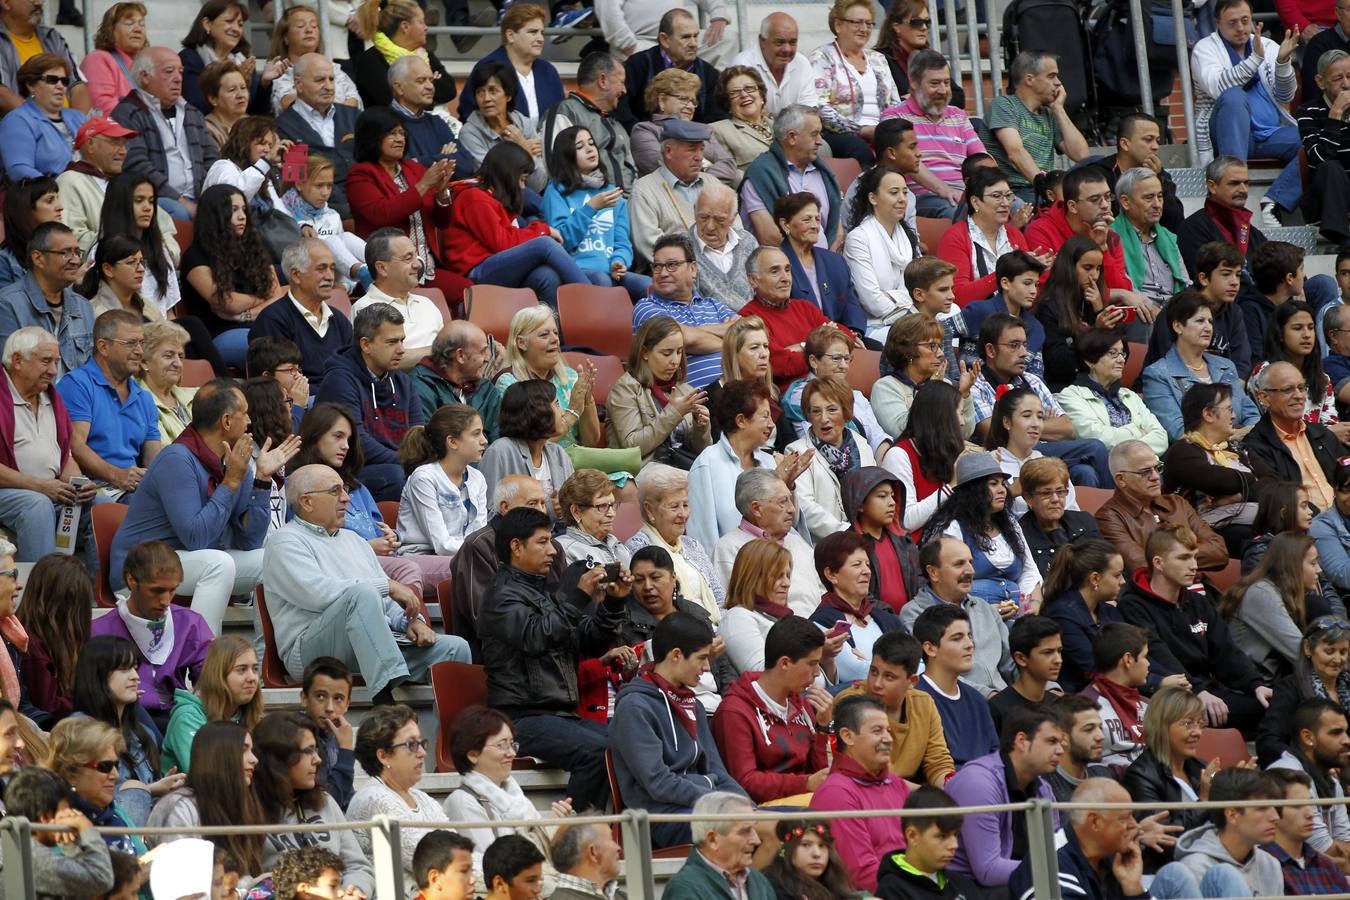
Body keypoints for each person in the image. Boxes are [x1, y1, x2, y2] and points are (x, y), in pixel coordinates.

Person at [108, 381, 298, 633]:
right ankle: (203, 662)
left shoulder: (231, 460)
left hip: (192, 560)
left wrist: (262, 480)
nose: (250, 421)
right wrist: (231, 481)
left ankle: (266, 657)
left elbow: (249, 541)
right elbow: (195, 538)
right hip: (140, 568)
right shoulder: (177, 459)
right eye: (245, 414)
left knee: (274, 559)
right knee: (218, 563)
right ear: (227, 421)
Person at [477, 506, 626, 811]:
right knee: (598, 750)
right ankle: (566, 828)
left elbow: (589, 642)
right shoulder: (500, 597)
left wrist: (613, 602)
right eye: (542, 542)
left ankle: (607, 829)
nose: (553, 550)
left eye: (551, 541)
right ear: (516, 547)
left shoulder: (543, 593)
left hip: (560, 715)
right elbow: (537, 636)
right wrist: (578, 598)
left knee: (629, 742)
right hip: (521, 717)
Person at [1119, 526, 1272, 732]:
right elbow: (1159, 656)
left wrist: (1254, 684)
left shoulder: (1198, 602)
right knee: (1268, 714)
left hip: (1208, 691)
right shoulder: (1133, 606)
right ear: (1159, 563)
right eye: (1183, 558)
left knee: (1277, 703)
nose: (1193, 566)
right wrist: (1197, 691)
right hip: (1168, 697)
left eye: (1194, 557)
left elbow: (1226, 651)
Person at [612, 611, 743, 847]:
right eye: (701, 658)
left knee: (788, 822)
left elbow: (719, 772)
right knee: (751, 833)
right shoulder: (634, 707)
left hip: (704, 809)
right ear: (676, 655)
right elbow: (658, 783)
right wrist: (717, 799)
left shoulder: (695, 705)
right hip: (663, 818)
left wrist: (744, 805)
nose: (705, 668)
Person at [1192, 0, 1303, 222]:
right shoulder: (1204, 48)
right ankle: (1233, 195)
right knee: (1234, 96)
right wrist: (1255, 60)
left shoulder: (1267, 45)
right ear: (1218, 23)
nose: (1241, 28)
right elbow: (1219, 87)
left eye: (1245, 20)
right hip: (1224, 134)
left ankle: (1274, 202)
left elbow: (1286, 96)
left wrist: (1282, 63)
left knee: (1314, 138)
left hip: (1268, 135)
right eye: (1232, 23)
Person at [443, 144, 589, 311]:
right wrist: (543, 230)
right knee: (544, 244)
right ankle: (592, 298)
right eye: (521, 179)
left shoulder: (490, 197)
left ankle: (558, 334)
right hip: (476, 272)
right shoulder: (474, 197)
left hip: (493, 266)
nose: (522, 187)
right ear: (508, 175)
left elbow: (507, 239)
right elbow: (503, 243)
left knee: (546, 276)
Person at [441, 706, 569, 893]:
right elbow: (490, 866)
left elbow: (540, 851)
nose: (512, 753)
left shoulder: (514, 794)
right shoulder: (463, 801)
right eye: (502, 745)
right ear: (472, 754)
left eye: (512, 744)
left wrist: (558, 827)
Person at [0, 326, 99, 565]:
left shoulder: (51, 398)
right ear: (17, 360)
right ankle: (44, 595)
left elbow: (63, 457)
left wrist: (79, 483)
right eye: (46, 361)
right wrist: (40, 486)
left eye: (56, 362)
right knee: (36, 505)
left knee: (101, 505)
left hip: (47, 490)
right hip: (12, 492)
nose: (54, 371)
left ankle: (101, 594)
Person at [90, 541, 212, 730]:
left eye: (172, 590)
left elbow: (212, 682)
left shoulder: (189, 623)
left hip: (178, 719)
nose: (165, 601)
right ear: (131, 580)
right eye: (156, 590)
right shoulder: (98, 631)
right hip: (124, 723)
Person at [251, 711, 374, 895]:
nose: (317, 759)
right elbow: (235, 880)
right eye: (308, 751)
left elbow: (358, 866)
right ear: (280, 758)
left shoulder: (325, 802)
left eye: (316, 749)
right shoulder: (247, 810)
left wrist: (353, 892)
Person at [710, 614, 830, 802]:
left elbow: (817, 774)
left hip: (803, 802)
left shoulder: (802, 704)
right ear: (784, 663)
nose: (817, 673)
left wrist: (822, 728)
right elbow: (745, 782)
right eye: (812, 664)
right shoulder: (734, 712)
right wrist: (805, 783)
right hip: (762, 811)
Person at [345, 110, 460, 306]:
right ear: (373, 136)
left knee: (470, 293)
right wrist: (424, 185)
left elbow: (442, 221)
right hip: (391, 273)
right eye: (392, 134)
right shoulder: (361, 175)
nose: (400, 139)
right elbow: (383, 215)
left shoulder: (415, 170)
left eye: (402, 133)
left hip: (428, 267)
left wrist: (441, 193)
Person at [946, 705, 1065, 887]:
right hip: (965, 888)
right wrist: (1059, 872)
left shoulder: (1043, 789)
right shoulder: (978, 783)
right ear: (1021, 741)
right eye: (1051, 741)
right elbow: (988, 871)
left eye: (1061, 743)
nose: (1060, 751)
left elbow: (1055, 852)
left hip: (1018, 885)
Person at [313, 304, 422, 502]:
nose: (401, 350)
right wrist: (409, 462)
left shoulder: (403, 381)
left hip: (398, 464)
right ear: (366, 345)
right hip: (348, 470)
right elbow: (357, 442)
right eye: (391, 342)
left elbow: (418, 432)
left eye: (402, 341)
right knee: (396, 475)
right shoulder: (340, 380)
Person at [70, 635, 178, 827]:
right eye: (124, 669)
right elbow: (87, 796)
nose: (136, 677)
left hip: (148, 829)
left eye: (135, 668)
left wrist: (166, 787)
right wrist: (148, 789)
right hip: (101, 831)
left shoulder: (142, 733)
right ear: (98, 674)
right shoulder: (80, 728)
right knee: (134, 791)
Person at [56, 309, 161, 503]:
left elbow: (153, 458)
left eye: (141, 343)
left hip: (132, 488)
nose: (139, 351)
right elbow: (75, 445)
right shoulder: (77, 384)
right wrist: (117, 475)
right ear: (103, 347)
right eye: (130, 343)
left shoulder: (144, 397)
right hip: (91, 488)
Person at [808, 695, 909, 892]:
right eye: (877, 731)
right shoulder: (835, 793)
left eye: (888, 731)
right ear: (847, 736)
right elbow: (861, 875)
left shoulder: (895, 783)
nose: (888, 739)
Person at [923, 452, 1043, 616]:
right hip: (971, 619)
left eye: (1002, 483)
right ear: (973, 490)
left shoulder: (1010, 522)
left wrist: (1030, 609)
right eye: (993, 484)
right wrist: (987, 613)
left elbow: (1030, 571)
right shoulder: (952, 527)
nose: (1002, 490)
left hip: (1018, 615)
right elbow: (946, 585)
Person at [177, 184, 282, 367]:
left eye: (243, 209)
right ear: (215, 216)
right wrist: (262, 297)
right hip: (221, 332)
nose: (242, 216)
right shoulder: (195, 256)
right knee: (274, 351)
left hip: (258, 325)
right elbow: (227, 302)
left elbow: (277, 294)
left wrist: (246, 315)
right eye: (233, 210)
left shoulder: (255, 248)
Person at [542, 126, 650, 303]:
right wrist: (591, 208)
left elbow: (622, 242)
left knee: (649, 286)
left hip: (611, 271)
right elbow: (561, 241)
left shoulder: (612, 194)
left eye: (591, 143)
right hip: (576, 271)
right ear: (566, 155)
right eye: (580, 146)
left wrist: (620, 261)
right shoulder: (555, 192)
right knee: (601, 280)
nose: (590, 149)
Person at [346, 704, 450, 886]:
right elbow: (436, 862)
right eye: (412, 745)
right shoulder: (375, 799)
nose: (423, 753)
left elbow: (458, 850)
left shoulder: (423, 798)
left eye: (421, 743)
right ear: (384, 756)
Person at [112, 48, 218, 222]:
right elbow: (138, 166)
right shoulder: (127, 113)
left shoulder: (192, 113)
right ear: (145, 77)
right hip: (156, 198)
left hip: (199, 198)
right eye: (169, 71)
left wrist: (209, 198)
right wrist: (181, 201)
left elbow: (212, 159)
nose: (178, 78)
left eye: (181, 72)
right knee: (179, 213)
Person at [836, 630, 955, 785]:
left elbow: (938, 763)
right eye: (873, 671)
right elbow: (866, 774)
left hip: (908, 794)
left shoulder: (923, 703)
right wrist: (922, 793)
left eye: (889, 677)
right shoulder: (851, 702)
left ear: (912, 681)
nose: (877, 684)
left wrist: (951, 786)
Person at [1095, 440, 1230, 575]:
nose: (1155, 477)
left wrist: (1170, 561)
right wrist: (1189, 564)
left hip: (1201, 592)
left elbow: (1219, 552)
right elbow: (1142, 566)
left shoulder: (1177, 503)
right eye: (1145, 472)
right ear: (1121, 479)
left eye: (1157, 468)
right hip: (1154, 595)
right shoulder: (1109, 517)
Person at [1143, 293, 1262, 441]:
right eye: (1200, 321)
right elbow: (1178, 432)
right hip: (1195, 457)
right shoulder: (1157, 374)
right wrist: (1233, 436)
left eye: (1210, 321)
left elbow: (1251, 415)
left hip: (1241, 449)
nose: (1208, 328)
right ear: (1178, 326)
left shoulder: (1226, 366)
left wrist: (1246, 434)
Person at [1010, 777, 1149, 900]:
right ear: (1094, 822)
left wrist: (1133, 888)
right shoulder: (1050, 865)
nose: (1135, 825)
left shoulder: (1113, 858)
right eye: (1125, 818)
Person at [1153, 768, 1283, 898]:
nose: (1275, 817)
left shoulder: (1270, 864)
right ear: (1232, 815)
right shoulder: (1195, 867)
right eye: (1262, 808)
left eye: (1274, 807)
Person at [634, 232, 740, 392]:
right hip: (695, 400)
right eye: (657, 266)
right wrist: (731, 342)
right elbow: (686, 339)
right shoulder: (646, 307)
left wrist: (693, 330)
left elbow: (746, 331)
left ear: (692, 269)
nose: (663, 273)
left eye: (672, 265)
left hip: (739, 387)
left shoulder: (712, 305)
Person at [711, 469, 823, 619]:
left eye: (790, 500)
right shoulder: (729, 547)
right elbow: (730, 609)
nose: (792, 509)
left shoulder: (796, 540)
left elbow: (823, 592)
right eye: (783, 501)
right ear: (757, 508)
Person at [884, 50, 982, 219]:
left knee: (1016, 206)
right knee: (956, 212)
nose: (943, 90)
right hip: (923, 196)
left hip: (963, 193)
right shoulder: (894, 117)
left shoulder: (958, 115)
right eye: (935, 83)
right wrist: (944, 190)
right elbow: (908, 163)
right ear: (913, 83)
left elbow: (981, 159)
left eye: (946, 83)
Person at [248, 239, 353, 394]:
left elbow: (354, 370)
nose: (330, 277)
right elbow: (278, 386)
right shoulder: (272, 320)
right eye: (321, 268)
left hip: (343, 397)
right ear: (296, 275)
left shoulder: (339, 320)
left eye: (332, 268)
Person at [494, 305, 602, 452]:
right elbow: (529, 447)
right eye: (544, 335)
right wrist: (572, 413)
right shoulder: (509, 384)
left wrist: (587, 400)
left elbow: (590, 441)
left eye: (556, 333)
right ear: (522, 343)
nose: (555, 340)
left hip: (576, 463)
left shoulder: (570, 377)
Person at [985, 51, 1091, 202]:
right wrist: (1045, 186)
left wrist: (1059, 109)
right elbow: (1015, 152)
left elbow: (1081, 155)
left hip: (1041, 189)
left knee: (1094, 165)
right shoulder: (1004, 105)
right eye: (1051, 76)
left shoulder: (1049, 113)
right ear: (1030, 79)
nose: (1058, 83)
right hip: (1012, 189)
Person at [607, 318, 712, 468]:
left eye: (679, 352)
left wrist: (700, 427)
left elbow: (701, 451)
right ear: (645, 353)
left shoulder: (685, 390)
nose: (675, 361)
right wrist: (674, 413)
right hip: (642, 471)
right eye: (667, 353)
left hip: (681, 468)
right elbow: (632, 446)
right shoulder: (625, 389)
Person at [1244, 361, 1348, 511]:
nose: (1299, 396)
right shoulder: (1256, 446)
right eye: (1288, 390)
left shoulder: (1322, 434)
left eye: (1301, 388)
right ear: (1264, 397)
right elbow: (1280, 500)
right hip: (1304, 526)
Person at [1221, 532, 1327, 678]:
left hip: (1276, 681)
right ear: (1292, 565)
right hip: (1255, 688)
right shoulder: (1261, 594)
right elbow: (1300, 653)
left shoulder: (1284, 593)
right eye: (1313, 563)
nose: (1319, 570)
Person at [0, 220, 95, 381]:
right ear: (38, 258)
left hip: (78, 404)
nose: (75, 260)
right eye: (65, 253)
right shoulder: (8, 305)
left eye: (77, 252)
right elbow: (8, 375)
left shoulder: (83, 307)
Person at [809, 0, 899, 166]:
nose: (864, 29)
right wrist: (860, 130)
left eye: (868, 23)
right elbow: (819, 106)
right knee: (861, 151)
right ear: (838, 25)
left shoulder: (879, 59)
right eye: (857, 22)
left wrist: (887, 130)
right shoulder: (822, 57)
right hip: (839, 133)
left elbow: (894, 103)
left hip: (881, 132)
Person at [911, 602, 999, 766]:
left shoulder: (977, 699)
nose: (970, 644)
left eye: (969, 636)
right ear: (930, 648)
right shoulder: (914, 699)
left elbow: (995, 758)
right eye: (957, 638)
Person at [1145, 241, 1252, 376]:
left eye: (1237, 275)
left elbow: (1241, 365)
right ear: (1204, 278)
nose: (1235, 282)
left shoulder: (1234, 312)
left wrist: (1234, 393)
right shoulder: (1176, 308)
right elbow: (1168, 363)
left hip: (1221, 387)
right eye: (1226, 274)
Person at [810, 530, 904, 684]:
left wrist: (869, 664)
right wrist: (899, 668)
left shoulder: (887, 618)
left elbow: (919, 664)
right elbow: (855, 672)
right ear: (831, 574)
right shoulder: (822, 623)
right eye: (856, 565)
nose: (867, 571)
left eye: (867, 564)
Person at [44, 717, 146, 857]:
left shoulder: (114, 810)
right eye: (105, 767)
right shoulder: (57, 824)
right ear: (71, 772)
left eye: (116, 765)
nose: (115, 775)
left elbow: (142, 858)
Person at [158, 634, 261, 775]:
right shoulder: (187, 718)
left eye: (255, 669)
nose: (252, 678)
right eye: (241, 669)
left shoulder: (244, 715)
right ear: (218, 675)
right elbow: (206, 777)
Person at [3, 766, 114, 895]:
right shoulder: (30, 856)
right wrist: (86, 828)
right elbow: (101, 879)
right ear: (46, 817)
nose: (72, 817)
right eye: (65, 812)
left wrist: (69, 843)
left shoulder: (14, 844)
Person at [274, 55, 361, 220]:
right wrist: (346, 210)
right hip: (323, 214)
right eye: (320, 80)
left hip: (366, 202)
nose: (328, 86)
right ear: (298, 84)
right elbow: (297, 181)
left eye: (331, 79)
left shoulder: (353, 116)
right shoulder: (284, 127)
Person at [396, 403, 488, 559]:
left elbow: (479, 533)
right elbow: (441, 544)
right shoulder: (424, 478)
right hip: (420, 557)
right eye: (476, 434)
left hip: (464, 557)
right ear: (452, 442)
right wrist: (481, 553)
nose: (484, 440)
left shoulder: (477, 478)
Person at [742, 105, 841, 249]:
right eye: (814, 134)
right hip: (783, 266)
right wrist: (809, 265)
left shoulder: (824, 173)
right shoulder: (761, 174)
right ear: (792, 137)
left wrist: (826, 264)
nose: (820, 141)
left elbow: (837, 233)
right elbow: (770, 237)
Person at [789, 377, 876, 540]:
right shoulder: (797, 451)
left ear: (845, 411)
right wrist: (847, 532)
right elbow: (804, 507)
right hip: (826, 545)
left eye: (831, 410)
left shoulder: (862, 445)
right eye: (816, 411)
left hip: (866, 538)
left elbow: (874, 492)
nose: (823, 418)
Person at [1258, 616, 1350, 766]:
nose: (1337, 659)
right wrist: (1307, 764)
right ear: (1308, 648)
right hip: (1306, 772)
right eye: (1329, 651)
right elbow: (1269, 741)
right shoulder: (1290, 688)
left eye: (1343, 652)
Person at [540, 52, 636, 197]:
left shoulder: (615, 123)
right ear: (603, 80)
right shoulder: (566, 111)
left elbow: (632, 170)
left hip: (625, 207)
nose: (624, 90)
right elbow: (556, 167)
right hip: (589, 207)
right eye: (621, 82)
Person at [1059, 328, 1170, 453]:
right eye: (1113, 353)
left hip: (1148, 467)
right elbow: (1097, 439)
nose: (1121, 360)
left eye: (1122, 353)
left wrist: (1124, 441)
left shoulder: (1129, 395)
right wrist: (1136, 431)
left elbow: (1161, 438)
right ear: (1090, 361)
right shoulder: (1071, 395)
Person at [349, 229, 446, 370]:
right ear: (382, 268)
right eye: (408, 258)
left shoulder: (427, 304)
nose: (418, 264)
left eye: (416, 256)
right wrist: (441, 352)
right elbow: (382, 363)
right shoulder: (364, 309)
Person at [843, 165, 920, 343]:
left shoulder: (907, 236)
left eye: (905, 192)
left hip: (909, 318)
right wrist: (909, 300)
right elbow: (874, 303)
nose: (902, 199)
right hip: (876, 326)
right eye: (894, 192)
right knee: (924, 336)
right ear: (873, 198)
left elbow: (921, 289)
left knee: (951, 312)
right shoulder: (859, 238)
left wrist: (890, 295)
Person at [478, 380, 576, 518]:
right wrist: (547, 509)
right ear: (536, 411)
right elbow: (487, 514)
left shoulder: (558, 453)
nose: (562, 412)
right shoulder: (500, 451)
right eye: (557, 404)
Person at [938, 168, 1035, 306]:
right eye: (997, 196)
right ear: (975, 202)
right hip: (976, 319)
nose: (1006, 203)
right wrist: (1005, 273)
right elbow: (956, 296)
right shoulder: (955, 237)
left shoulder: (1015, 235)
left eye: (1008, 196)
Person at [1267, 697, 1350, 857]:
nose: (1347, 740)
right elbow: (1324, 849)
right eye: (1336, 733)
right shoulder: (1287, 775)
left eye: (1346, 732)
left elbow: (1344, 841)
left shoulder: (1331, 780)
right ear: (1308, 738)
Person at [1041, 539, 1127, 692]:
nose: (1123, 581)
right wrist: (1155, 682)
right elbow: (1093, 668)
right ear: (1095, 578)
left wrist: (1165, 679)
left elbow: (1135, 651)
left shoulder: (1108, 610)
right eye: (1117, 575)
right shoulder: (1062, 614)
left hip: (1111, 690)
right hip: (1077, 698)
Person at [456, 4, 562, 128]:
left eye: (542, 33)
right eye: (533, 32)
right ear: (510, 36)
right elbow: (469, 115)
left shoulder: (549, 71)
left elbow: (560, 117)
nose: (540, 39)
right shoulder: (488, 67)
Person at [773, 194, 864, 335]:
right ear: (785, 224)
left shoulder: (835, 261)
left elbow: (851, 302)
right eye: (807, 220)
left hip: (841, 337)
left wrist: (853, 332)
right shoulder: (775, 264)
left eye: (817, 219)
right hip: (803, 340)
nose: (815, 226)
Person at [876, 786, 983, 900]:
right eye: (942, 836)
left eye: (955, 834)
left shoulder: (962, 884)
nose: (954, 845)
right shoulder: (892, 890)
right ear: (912, 836)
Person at [457, 62, 547, 195]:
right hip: (494, 201)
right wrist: (523, 149)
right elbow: (492, 180)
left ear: (508, 95)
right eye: (480, 92)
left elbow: (539, 183)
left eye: (493, 91)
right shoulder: (469, 133)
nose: (486, 99)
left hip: (528, 197)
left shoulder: (524, 124)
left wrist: (521, 144)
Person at [351, 0, 455, 110]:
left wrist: (414, 88)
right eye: (421, 22)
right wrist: (432, 81)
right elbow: (391, 102)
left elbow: (449, 91)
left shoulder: (424, 54)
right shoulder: (370, 61)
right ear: (405, 26)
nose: (426, 27)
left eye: (429, 80)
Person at [1262, 767, 1350, 896]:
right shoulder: (1261, 866)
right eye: (1297, 805)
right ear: (1271, 811)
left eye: (1310, 804)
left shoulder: (1325, 865)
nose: (1310, 813)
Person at [1112, 167, 1189, 309]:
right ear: (1125, 202)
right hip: (1139, 314)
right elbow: (1121, 286)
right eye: (1149, 198)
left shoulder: (1168, 238)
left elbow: (1184, 282)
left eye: (1159, 197)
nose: (1157, 205)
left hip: (1173, 311)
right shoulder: (1111, 237)